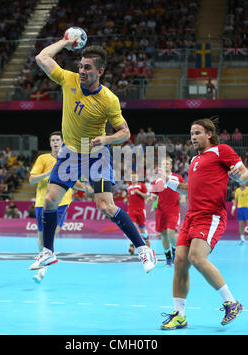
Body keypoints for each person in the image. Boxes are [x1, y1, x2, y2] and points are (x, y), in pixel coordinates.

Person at [30, 38, 157, 273]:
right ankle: (48, 252)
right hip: (70, 153)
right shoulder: (68, 79)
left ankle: (143, 248)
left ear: (100, 71)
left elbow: (125, 133)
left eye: (87, 68)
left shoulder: (109, 99)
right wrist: (65, 41)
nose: (82, 71)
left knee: (106, 206)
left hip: (96, 154)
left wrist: (106, 139)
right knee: (50, 200)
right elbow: (41, 58)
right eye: (80, 66)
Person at [160, 117, 248, 330]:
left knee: (196, 257)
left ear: (209, 134)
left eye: (197, 133)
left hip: (210, 215)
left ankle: (231, 302)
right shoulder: (194, 161)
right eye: (191, 134)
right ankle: (179, 315)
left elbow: (244, 174)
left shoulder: (222, 150)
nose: (193, 137)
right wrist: (172, 184)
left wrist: (241, 178)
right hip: (192, 216)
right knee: (180, 261)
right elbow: (192, 189)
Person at [29, 131, 92, 283]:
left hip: (62, 202)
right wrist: (50, 173)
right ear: (50, 143)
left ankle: (43, 269)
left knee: (52, 234)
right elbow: (31, 180)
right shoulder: (42, 159)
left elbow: (72, 180)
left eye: (58, 140)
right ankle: (45, 258)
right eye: (53, 140)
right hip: (42, 203)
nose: (56, 142)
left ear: (62, 142)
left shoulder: (68, 159)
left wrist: (83, 188)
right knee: (41, 240)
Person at [149, 157, 185, 267]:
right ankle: (168, 258)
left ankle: (175, 252)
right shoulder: (157, 181)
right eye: (164, 164)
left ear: (171, 166)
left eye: (168, 164)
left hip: (173, 210)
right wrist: (150, 199)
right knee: (164, 235)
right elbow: (154, 196)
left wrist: (183, 197)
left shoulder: (177, 178)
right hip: (161, 212)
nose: (166, 166)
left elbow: (183, 190)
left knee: (171, 233)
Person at [126, 172, 150, 255]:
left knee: (142, 229)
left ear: (137, 178)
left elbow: (147, 196)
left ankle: (147, 241)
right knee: (132, 227)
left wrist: (139, 192)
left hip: (140, 210)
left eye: (135, 177)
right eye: (132, 177)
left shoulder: (141, 185)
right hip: (131, 210)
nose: (133, 178)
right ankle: (132, 246)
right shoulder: (128, 187)